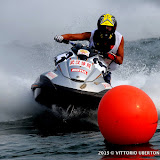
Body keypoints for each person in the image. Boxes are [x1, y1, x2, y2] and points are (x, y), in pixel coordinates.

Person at [54, 13, 124, 84]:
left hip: (106, 65)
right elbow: (73, 36)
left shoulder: (119, 39)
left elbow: (120, 60)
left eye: (109, 28)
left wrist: (112, 56)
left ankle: (106, 85)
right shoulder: (93, 34)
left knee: (106, 76)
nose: (106, 30)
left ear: (113, 28)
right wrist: (62, 37)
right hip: (92, 61)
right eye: (103, 27)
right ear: (99, 27)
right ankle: (68, 76)